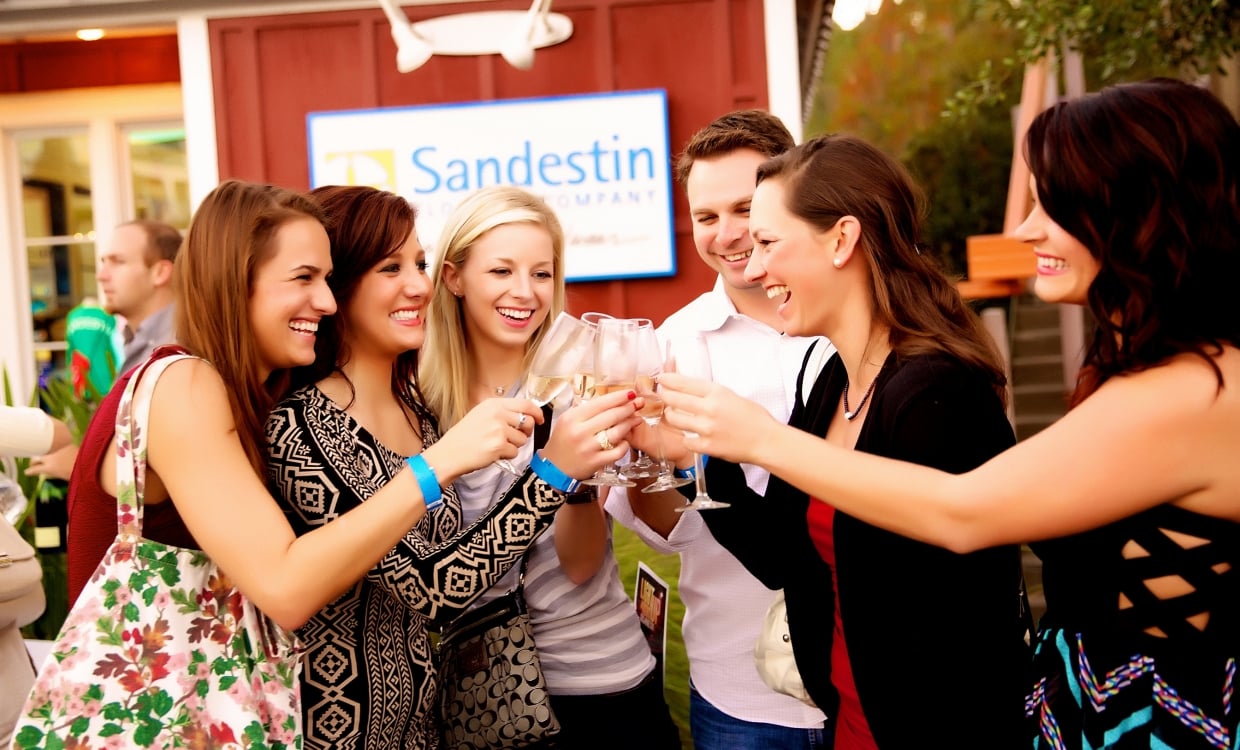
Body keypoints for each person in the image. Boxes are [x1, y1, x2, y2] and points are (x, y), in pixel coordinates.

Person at [660, 79, 1240, 749]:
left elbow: (962, 516)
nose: (1023, 228)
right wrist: (699, 456)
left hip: (1156, 723)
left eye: (1052, 204)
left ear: (1140, 211)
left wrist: (758, 439)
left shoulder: (1193, 390)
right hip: (1058, 711)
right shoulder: (1138, 374)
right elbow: (790, 552)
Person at [266, 185, 641, 749]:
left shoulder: (413, 409)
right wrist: (553, 472)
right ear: (336, 289)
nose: (418, 284)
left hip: (430, 722)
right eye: (391, 267)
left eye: (418, 263)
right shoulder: (305, 425)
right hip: (349, 727)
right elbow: (432, 588)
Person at [58, 179, 533, 624]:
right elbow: (285, 588)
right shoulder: (184, 385)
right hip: (153, 706)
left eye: (327, 278)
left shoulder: (246, 395)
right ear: (235, 280)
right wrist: (442, 463)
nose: (328, 302)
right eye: (303, 278)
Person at [420, 185, 681, 749]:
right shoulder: (418, 395)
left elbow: (582, 565)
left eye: (541, 273)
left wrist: (575, 475)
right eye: (501, 271)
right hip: (486, 694)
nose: (525, 292)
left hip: (600, 687)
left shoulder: (580, 378)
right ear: (453, 277)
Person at [602, 110, 829, 748]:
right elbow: (666, 529)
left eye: (744, 208)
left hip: (865, 668)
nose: (729, 234)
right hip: (741, 689)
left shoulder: (849, 326)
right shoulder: (672, 344)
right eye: (706, 217)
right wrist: (646, 459)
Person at [26, 220, 182, 482]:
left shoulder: (175, 352)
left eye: (117, 262)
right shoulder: (136, 342)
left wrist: (81, 464)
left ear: (160, 272)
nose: (101, 275)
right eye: (103, 262)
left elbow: (174, 466)